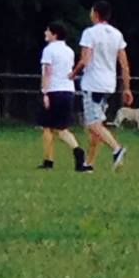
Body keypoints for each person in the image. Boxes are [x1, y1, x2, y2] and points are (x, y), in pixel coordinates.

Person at [69, 1, 132, 171]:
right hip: (109, 85)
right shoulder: (117, 34)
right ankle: (89, 163)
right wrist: (126, 87)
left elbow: (85, 60)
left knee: (92, 124)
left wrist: (73, 74)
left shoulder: (90, 33)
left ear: (95, 14)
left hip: (93, 84)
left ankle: (116, 149)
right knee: (96, 124)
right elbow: (124, 64)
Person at [37, 22, 89, 172]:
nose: (45, 33)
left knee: (47, 127)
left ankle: (48, 161)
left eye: (48, 31)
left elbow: (47, 71)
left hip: (54, 90)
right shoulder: (69, 51)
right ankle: (77, 150)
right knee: (62, 128)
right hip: (68, 91)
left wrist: (45, 92)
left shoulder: (49, 50)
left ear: (54, 34)